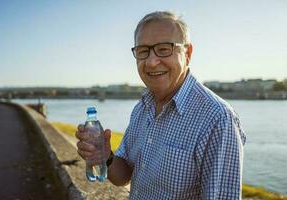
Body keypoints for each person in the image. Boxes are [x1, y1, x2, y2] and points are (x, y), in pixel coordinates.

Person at [76, 11, 246, 200]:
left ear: (187, 53)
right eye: (143, 51)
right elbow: (124, 176)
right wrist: (106, 157)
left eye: (164, 49)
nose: (151, 61)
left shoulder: (218, 119)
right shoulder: (142, 108)